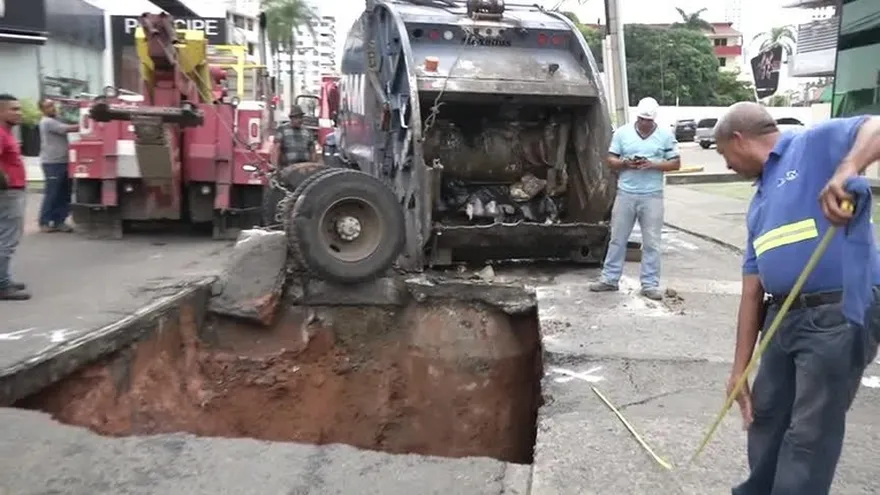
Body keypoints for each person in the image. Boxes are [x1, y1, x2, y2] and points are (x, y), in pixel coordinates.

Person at [715, 101, 880, 495]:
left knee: (809, 432)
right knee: (768, 417)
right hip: (782, 317)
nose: (726, 166)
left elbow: (876, 125)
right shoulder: (759, 203)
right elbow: (751, 289)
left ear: (739, 139)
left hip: (835, 314)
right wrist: (739, 370)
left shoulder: (811, 144)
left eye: (724, 154)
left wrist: (847, 168)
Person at [589, 97, 681, 300]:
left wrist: (653, 164)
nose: (644, 123)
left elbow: (675, 163)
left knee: (652, 243)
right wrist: (625, 163)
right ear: (637, 117)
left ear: (654, 120)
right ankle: (609, 279)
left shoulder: (665, 136)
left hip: (652, 195)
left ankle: (649, 284)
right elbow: (610, 159)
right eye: (641, 119)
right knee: (617, 239)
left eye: (648, 120)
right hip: (626, 193)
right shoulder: (623, 133)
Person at [0, 93, 30, 300]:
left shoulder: (7, 132)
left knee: (6, 237)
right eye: (14, 109)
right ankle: (2, 285)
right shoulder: (1, 134)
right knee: (7, 240)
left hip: (12, 191)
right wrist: (4, 180)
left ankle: (5, 279)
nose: (19, 113)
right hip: (9, 193)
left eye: (19, 108)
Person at [37, 98, 78, 233]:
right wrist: (86, 123)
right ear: (42, 110)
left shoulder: (56, 119)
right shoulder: (47, 122)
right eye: (48, 106)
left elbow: (68, 122)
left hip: (63, 161)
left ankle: (59, 221)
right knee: (52, 193)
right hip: (52, 163)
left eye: (53, 105)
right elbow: (67, 129)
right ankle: (44, 221)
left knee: (64, 193)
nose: (52, 108)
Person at [271, 104, 317, 169]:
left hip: (305, 167)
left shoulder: (307, 131)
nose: (299, 120)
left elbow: (312, 151)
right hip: (288, 167)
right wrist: (275, 167)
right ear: (291, 118)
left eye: (301, 117)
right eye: (297, 118)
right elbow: (276, 149)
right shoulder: (282, 130)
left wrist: (313, 166)